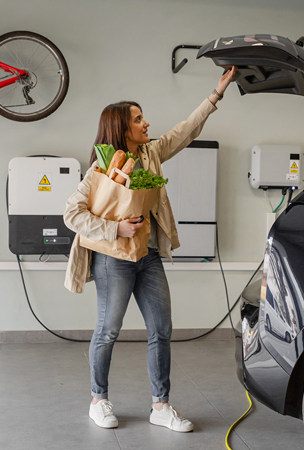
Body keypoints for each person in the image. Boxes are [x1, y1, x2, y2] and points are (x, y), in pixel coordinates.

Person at [63, 67, 238, 432]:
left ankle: (161, 406)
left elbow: (184, 131)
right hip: (113, 260)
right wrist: (115, 227)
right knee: (108, 330)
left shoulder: (151, 154)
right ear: (122, 129)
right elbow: (71, 214)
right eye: (139, 120)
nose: (146, 124)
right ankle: (99, 399)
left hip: (149, 256)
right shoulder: (99, 169)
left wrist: (215, 95)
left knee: (161, 329)